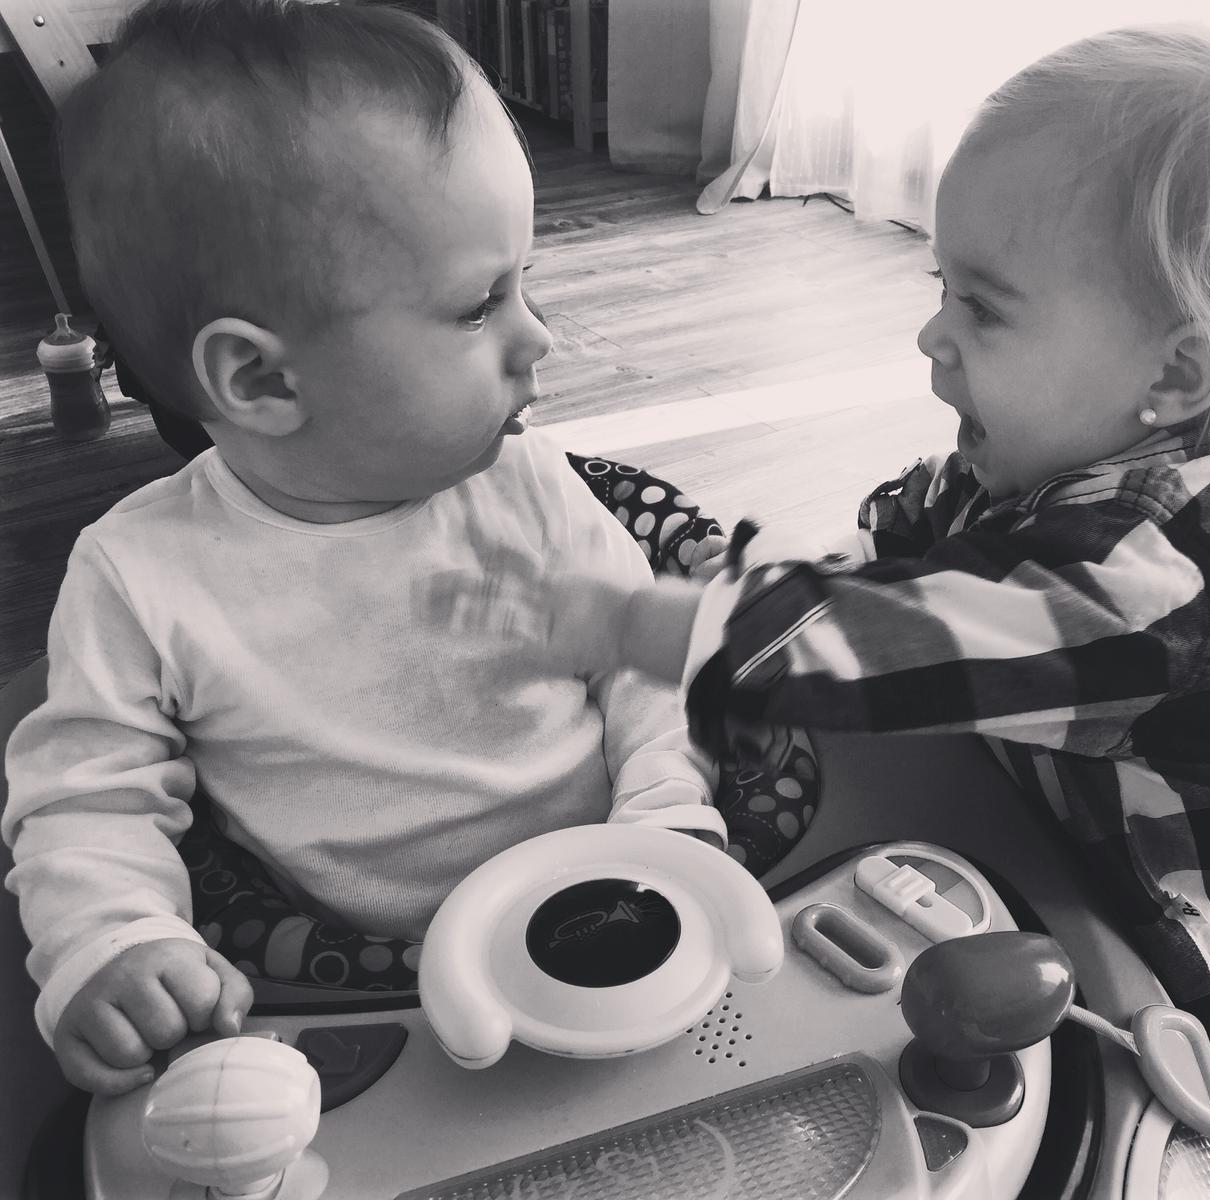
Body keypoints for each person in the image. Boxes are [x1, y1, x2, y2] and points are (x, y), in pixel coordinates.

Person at [440, 26, 1210, 1200]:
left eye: (983, 310)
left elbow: (906, 643)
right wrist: (758, 568)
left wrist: (645, 627)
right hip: (1102, 889)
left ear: (1170, 377)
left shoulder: (1147, 583)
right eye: (938, 288)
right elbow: (901, 543)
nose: (931, 335)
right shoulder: (1050, 457)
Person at [2, 0, 731, 1099]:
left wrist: (666, 816)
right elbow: (83, 796)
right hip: (371, 996)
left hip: (619, 913)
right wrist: (113, 941)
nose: (539, 336)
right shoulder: (138, 578)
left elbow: (645, 674)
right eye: (481, 305)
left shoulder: (529, 484)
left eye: (523, 283)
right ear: (262, 379)